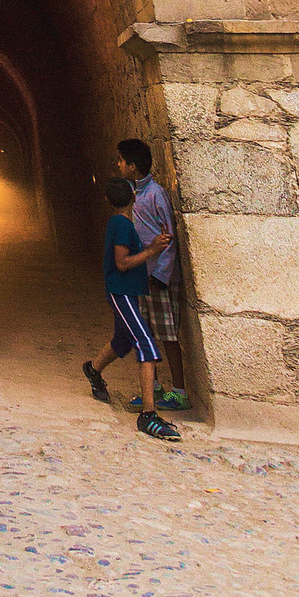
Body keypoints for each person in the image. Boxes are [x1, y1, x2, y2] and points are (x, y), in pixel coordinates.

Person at [83, 177, 180, 441]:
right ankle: (148, 415)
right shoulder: (123, 225)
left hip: (126, 291)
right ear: (134, 197)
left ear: (107, 200)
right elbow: (122, 262)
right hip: (122, 291)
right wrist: (153, 250)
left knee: (122, 340)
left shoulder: (119, 223)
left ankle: (93, 369)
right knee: (146, 344)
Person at [118, 138, 189, 411]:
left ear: (133, 166)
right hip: (140, 274)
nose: (118, 165)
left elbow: (168, 235)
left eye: (122, 161)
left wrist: (161, 274)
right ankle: (155, 387)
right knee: (145, 333)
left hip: (158, 277)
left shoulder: (155, 194)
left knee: (168, 335)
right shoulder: (133, 193)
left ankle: (180, 391)